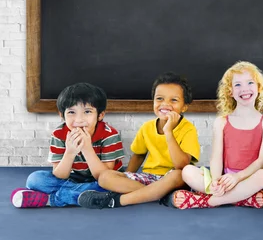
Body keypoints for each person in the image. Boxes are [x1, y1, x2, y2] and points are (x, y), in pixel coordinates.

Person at [77, 72, 200, 209]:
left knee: (178, 175)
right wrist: (126, 176)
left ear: (184, 107)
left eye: (174, 100)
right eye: (159, 99)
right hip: (149, 178)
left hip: (173, 179)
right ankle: (157, 194)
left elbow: (181, 165)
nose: (165, 104)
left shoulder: (188, 129)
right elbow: (138, 155)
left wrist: (168, 132)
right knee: (105, 177)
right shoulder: (147, 128)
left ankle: (119, 200)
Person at [167, 61, 263, 209]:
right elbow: (216, 157)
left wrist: (237, 178)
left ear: (259, 87)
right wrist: (217, 182)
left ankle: (207, 201)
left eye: (250, 83)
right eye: (237, 85)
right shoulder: (221, 122)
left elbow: (262, 160)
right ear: (230, 92)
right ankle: (241, 199)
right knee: (187, 171)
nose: (244, 89)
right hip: (224, 178)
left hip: (249, 177)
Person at [10, 83, 124, 208]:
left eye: (87, 112)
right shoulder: (59, 134)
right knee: (35, 179)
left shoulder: (109, 135)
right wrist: (70, 152)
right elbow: (60, 175)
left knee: (110, 187)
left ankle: (52, 199)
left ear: (100, 115)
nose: (79, 119)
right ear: (61, 115)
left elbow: (103, 175)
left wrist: (87, 149)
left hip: (103, 181)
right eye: (71, 112)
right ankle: (82, 195)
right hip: (74, 178)